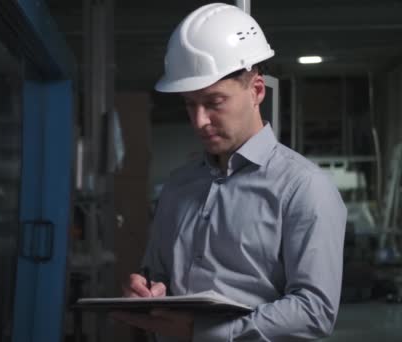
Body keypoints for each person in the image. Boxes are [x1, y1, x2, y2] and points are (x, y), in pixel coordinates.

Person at [112, 3, 347, 341]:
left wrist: (205, 333)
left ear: (256, 91)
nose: (199, 121)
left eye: (214, 102)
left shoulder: (304, 188)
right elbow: (158, 274)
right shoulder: (178, 186)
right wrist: (144, 290)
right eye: (190, 104)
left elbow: (314, 311)